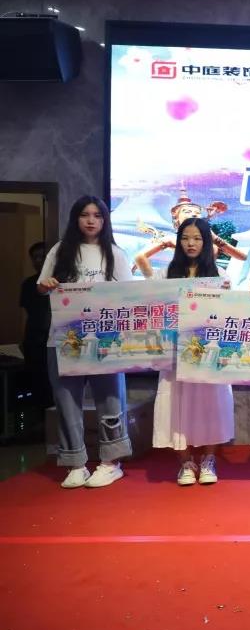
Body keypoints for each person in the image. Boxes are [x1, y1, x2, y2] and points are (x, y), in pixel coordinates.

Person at [37, 196, 133, 488]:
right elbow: (41, 286)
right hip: (64, 339)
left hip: (105, 340)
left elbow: (131, 296)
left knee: (110, 399)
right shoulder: (60, 250)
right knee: (67, 401)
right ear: (75, 218)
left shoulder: (115, 253)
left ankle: (110, 462)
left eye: (97, 215)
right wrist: (48, 284)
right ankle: (75, 463)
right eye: (84, 215)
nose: (91, 221)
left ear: (105, 220)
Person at [137, 218, 234, 486]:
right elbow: (150, 303)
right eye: (185, 238)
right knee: (175, 404)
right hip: (174, 356)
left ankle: (209, 459)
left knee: (211, 404)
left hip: (207, 356)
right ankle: (186, 462)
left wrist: (226, 296)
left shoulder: (220, 276)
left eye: (197, 238)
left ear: (206, 243)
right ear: (178, 241)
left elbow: (229, 315)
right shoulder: (165, 274)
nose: (191, 243)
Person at [19, 241, 53, 438]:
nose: (39, 261)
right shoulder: (28, 284)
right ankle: (41, 424)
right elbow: (28, 312)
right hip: (34, 338)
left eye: (43, 256)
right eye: (35, 257)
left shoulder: (60, 281)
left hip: (55, 338)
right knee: (37, 381)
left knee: (53, 382)